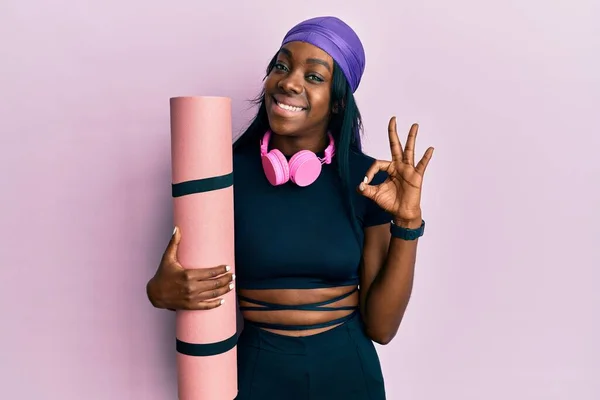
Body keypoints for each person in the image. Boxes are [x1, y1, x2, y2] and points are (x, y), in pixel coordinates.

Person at [146, 15, 434, 399]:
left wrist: (407, 222)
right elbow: (184, 276)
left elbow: (382, 328)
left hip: (348, 370)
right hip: (256, 371)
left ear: (337, 103)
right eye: (281, 66)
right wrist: (159, 291)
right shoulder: (221, 173)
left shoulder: (369, 181)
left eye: (313, 76)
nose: (289, 82)